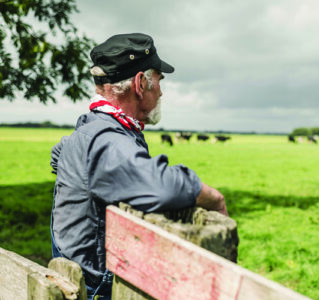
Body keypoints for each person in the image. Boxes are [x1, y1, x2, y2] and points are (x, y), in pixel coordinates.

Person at [50, 33, 227, 300]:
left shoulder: (91, 127)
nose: (162, 91)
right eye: (158, 80)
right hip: (97, 291)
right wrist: (214, 198)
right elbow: (160, 186)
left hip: (80, 280)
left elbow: (59, 154)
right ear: (140, 83)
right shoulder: (105, 140)